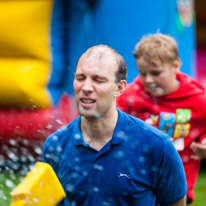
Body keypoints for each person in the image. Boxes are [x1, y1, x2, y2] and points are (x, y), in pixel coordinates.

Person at [43, 44, 187, 206]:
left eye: (98, 80)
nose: (86, 87)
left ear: (119, 88)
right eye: (80, 78)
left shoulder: (157, 145)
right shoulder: (56, 145)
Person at [116, 33, 206, 205]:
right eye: (143, 73)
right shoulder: (132, 95)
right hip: (137, 178)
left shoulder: (197, 100)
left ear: (175, 66)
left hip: (178, 183)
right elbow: (112, 121)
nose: (148, 80)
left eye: (156, 73)